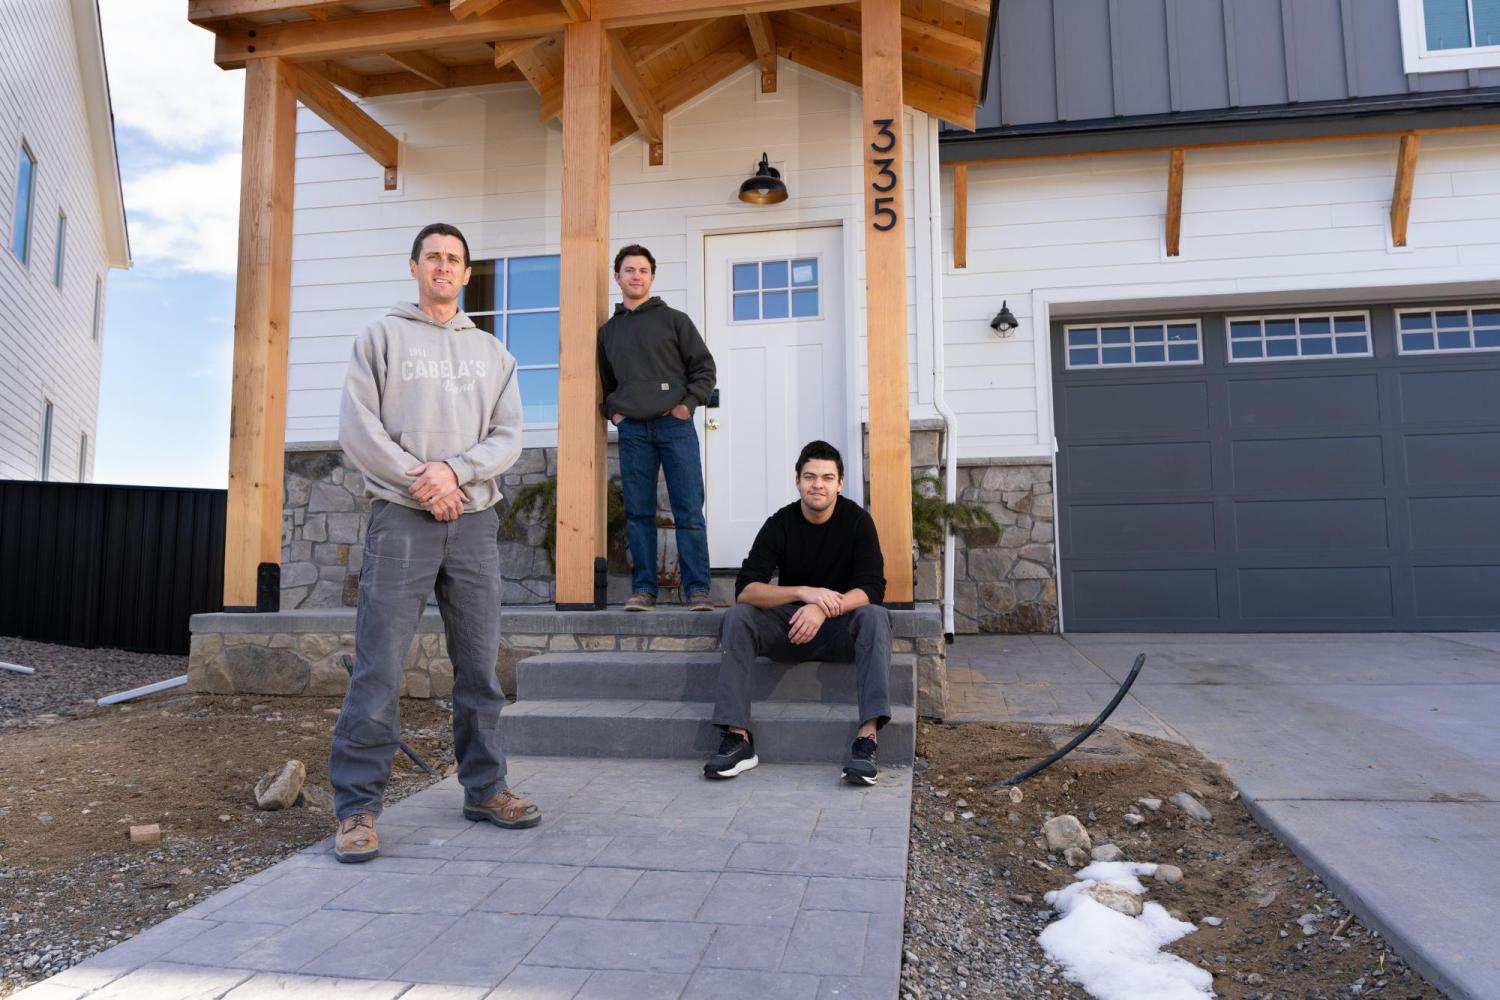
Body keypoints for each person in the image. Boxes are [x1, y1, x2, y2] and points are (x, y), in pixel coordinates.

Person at [329, 222, 540, 864]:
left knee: (479, 667)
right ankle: (358, 808)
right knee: (380, 666)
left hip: (473, 522)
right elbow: (358, 428)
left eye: (454, 259)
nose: (444, 267)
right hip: (402, 518)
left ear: (467, 273)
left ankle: (485, 789)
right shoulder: (381, 337)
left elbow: (510, 436)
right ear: (414, 267)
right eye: (433, 258)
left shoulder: (493, 354)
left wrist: (456, 472)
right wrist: (424, 481)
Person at [704, 440, 893, 785]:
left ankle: (867, 739)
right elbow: (745, 589)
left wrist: (821, 607)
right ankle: (738, 738)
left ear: (840, 483)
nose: (817, 484)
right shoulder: (781, 523)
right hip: (791, 629)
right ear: (797, 481)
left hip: (840, 630)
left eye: (826, 477)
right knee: (738, 616)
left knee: (875, 616)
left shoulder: (857, 522)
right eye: (810, 476)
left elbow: (872, 589)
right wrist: (802, 593)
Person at [597, 244, 717, 612]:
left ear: (651, 276)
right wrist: (613, 412)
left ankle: (697, 590)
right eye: (629, 270)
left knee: (688, 511)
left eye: (643, 270)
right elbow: (605, 383)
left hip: (674, 427)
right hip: (633, 432)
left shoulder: (675, 320)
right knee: (638, 513)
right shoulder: (608, 333)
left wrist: (688, 406)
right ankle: (644, 590)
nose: (636, 276)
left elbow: (704, 369)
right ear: (617, 277)